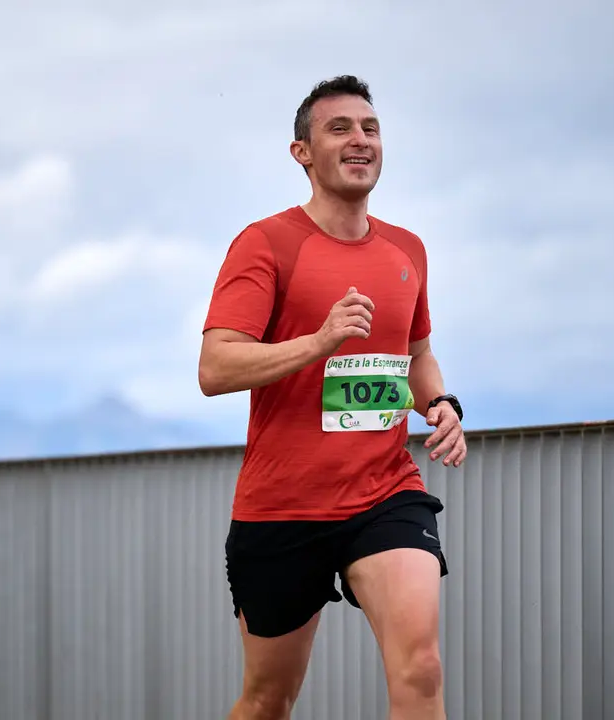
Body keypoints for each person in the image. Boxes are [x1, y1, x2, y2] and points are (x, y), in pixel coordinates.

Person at [197, 75, 467, 720]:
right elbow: (215, 366)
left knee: (421, 666)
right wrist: (319, 342)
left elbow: (416, 353)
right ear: (303, 153)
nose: (360, 140)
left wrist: (441, 405)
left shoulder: (408, 249)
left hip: (384, 491)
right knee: (268, 700)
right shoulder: (266, 243)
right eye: (339, 128)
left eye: (370, 128)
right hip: (282, 507)